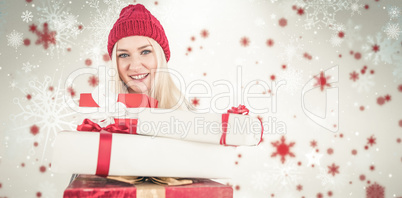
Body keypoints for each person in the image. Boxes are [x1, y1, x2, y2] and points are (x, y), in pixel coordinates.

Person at [107, 4, 194, 111]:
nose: (135, 66)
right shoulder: (97, 116)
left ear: (161, 56)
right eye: (124, 55)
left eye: (145, 51)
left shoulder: (190, 117)